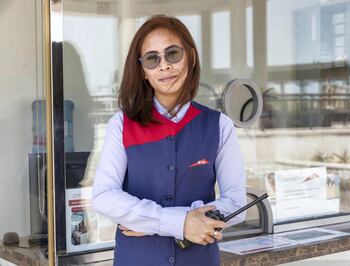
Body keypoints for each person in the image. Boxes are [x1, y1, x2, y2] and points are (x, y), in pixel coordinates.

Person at [91, 14, 246, 266]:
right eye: (152, 59)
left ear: (191, 57)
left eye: (173, 54)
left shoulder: (219, 126)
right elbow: (104, 196)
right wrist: (181, 223)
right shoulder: (121, 124)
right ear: (142, 71)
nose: (164, 66)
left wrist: (151, 223)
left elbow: (236, 203)